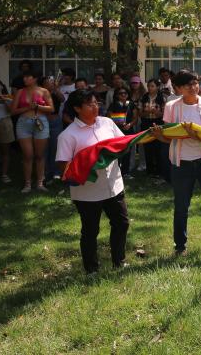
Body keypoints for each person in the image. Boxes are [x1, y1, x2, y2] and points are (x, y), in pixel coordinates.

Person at [150, 69, 201, 256]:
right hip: (181, 162)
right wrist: (160, 136)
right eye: (188, 85)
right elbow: (171, 138)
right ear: (178, 88)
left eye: (195, 83)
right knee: (181, 207)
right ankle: (180, 246)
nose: (193, 88)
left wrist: (196, 136)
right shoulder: (172, 106)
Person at [56, 90, 130, 274]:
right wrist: (86, 165)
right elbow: (64, 168)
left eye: (96, 103)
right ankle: (91, 269)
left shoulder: (107, 122)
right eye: (90, 104)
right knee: (90, 231)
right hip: (87, 193)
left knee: (121, 223)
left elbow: (122, 143)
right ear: (77, 108)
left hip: (114, 185)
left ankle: (119, 261)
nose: (95, 107)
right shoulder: (68, 135)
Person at [10, 70, 54, 193]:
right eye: (24, 76)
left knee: (40, 155)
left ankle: (40, 182)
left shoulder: (44, 91)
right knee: (28, 155)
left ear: (35, 78)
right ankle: (27, 183)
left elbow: (51, 108)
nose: (25, 79)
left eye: (28, 76)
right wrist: (27, 108)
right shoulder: (20, 91)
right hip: (24, 122)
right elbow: (13, 111)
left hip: (41, 122)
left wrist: (38, 107)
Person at [138, 80, 167, 180]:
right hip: (146, 123)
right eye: (149, 86)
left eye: (152, 86)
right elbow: (140, 113)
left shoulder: (162, 98)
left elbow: (164, 114)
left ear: (157, 87)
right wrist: (147, 112)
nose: (150, 88)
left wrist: (155, 111)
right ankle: (150, 171)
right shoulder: (143, 97)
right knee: (148, 147)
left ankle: (159, 170)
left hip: (158, 123)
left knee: (158, 147)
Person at [106, 87, 137, 176]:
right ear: (117, 95)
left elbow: (135, 118)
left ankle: (125, 172)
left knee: (127, 152)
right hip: (116, 132)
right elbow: (109, 118)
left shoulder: (131, 104)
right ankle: (116, 172)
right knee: (117, 152)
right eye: (121, 93)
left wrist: (130, 125)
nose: (123, 95)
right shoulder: (113, 105)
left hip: (128, 131)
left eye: (125, 93)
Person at [43, 75, 66, 182]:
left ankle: (56, 172)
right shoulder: (40, 93)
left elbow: (62, 99)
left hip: (55, 121)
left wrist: (56, 89)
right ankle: (46, 172)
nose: (50, 84)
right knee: (44, 148)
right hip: (43, 121)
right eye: (48, 82)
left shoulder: (55, 93)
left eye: (52, 82)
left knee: (55, 147)